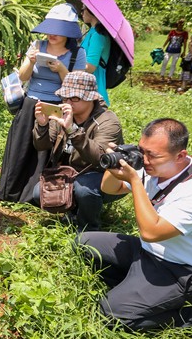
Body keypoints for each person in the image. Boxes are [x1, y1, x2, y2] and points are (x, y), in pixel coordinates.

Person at [75, 118, 192, 331]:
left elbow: (150, 232)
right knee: (84, 243)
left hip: (185, 271)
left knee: (111, 315)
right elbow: (110, 188)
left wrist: (135, 182)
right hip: (149, 253)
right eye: (141, 150)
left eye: (152, 155)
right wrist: (115, 164)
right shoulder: (154, 168)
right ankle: (137, 291)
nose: (144, 160)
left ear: (180, 156)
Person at [0, 3, 88, 203]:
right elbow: (23, 76)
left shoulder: (78, 54)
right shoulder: (37, 45)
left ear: (68, 33)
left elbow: (75, 86)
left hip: (56, 106)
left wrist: (61, 68)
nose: (51, 35)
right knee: (19, 147)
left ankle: (36, 196)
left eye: (58, 32)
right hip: (31, 102)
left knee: (44, 151)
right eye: (49, 30)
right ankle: (8, 192)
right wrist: (31, 60)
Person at [31, 72, 124, 231]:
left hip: (105, 175)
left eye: (74, 98)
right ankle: (74, 212)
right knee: (38, 194)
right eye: (65, 97)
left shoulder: (107, 121)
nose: (68, 102)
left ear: (91, 98)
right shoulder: (62, 114)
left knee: (84, 190)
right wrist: (42, 125)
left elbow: (100, 158)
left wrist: (71, 130)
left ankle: (89, 229)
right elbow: (41, 145)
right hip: (72, 173)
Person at [81, 7, 112, 105]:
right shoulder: (92, 32)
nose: (81, 13)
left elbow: (90, 67)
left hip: (93, 89)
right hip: (87, 86)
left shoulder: (98, 36)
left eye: (83, 9)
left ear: (92, 11)